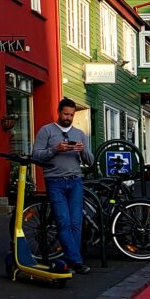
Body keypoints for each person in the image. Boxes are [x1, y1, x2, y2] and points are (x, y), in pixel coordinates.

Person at [32, 97, 94, 274]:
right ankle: (77, 261)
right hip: (55, 181)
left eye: (71, 115)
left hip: (75, 180)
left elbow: (90, 161)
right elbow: (35, 155)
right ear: (58, 112)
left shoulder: (79, 133)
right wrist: (55, 149)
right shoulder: (47, 131)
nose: (68, 117)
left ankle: (72, 260)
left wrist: (82, 151)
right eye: (66, 114)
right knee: (63, 221)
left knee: (76, 222)